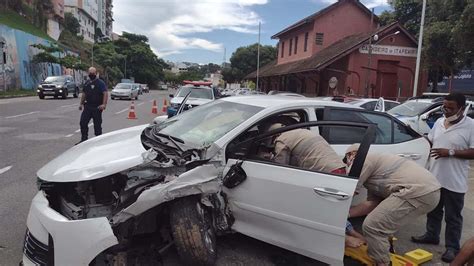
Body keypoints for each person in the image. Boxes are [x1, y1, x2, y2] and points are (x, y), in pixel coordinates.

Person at [345, 144, 441, 266]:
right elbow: (372, 204)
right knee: (382, 222)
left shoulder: (363, 159)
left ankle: (383, 263)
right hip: (428, 192)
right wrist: (346, 214)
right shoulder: (376, 168)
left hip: (417, 191)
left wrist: (336, 212)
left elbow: (348, 191)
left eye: (345, 160)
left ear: (351, 154)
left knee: (373, 226)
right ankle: (387, 252)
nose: (347, 164)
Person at [411, 93, 474, 262]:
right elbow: (431, 141)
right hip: (435, 178)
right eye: (444, 107)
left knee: (453, 218)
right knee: (433, 210)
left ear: (461, 108)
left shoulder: (471, 126)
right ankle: (432, 235)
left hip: (455, 182)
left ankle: (452, 248)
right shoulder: (439, 122)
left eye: (451, 108)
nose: (446, 110)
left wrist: (450, 152)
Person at [271, 127, 347, 174]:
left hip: (326, 173)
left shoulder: (282, 140)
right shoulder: (300, 131)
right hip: (339, 168)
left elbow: (280, 167)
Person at [78, 67, 108, 144]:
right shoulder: (87, 83)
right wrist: (81, 104)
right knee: (83, 122)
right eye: (90, 74)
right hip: (88, 106)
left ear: (96, 73)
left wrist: (104, 104)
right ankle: (84, 139)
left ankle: (98, 141)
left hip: (97, 107)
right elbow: (84, 94)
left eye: (93, 74)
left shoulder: (100, 83)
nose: (91, 75)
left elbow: (105, 93)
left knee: (97, 125)